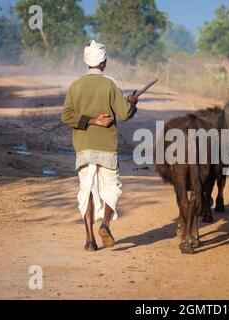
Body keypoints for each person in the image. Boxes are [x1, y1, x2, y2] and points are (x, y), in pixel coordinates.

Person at [61, 40, 138, 251]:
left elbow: (66, 116)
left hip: (83, 147)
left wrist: (91, 120)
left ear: (88, 62)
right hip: (107, 147)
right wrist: (131, 103)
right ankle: (105, 224)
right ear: (103, 62)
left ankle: (89, 240)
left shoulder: (75, 85)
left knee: (87, 191)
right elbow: (124, 114)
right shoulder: (110, 84)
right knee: (112, 188)